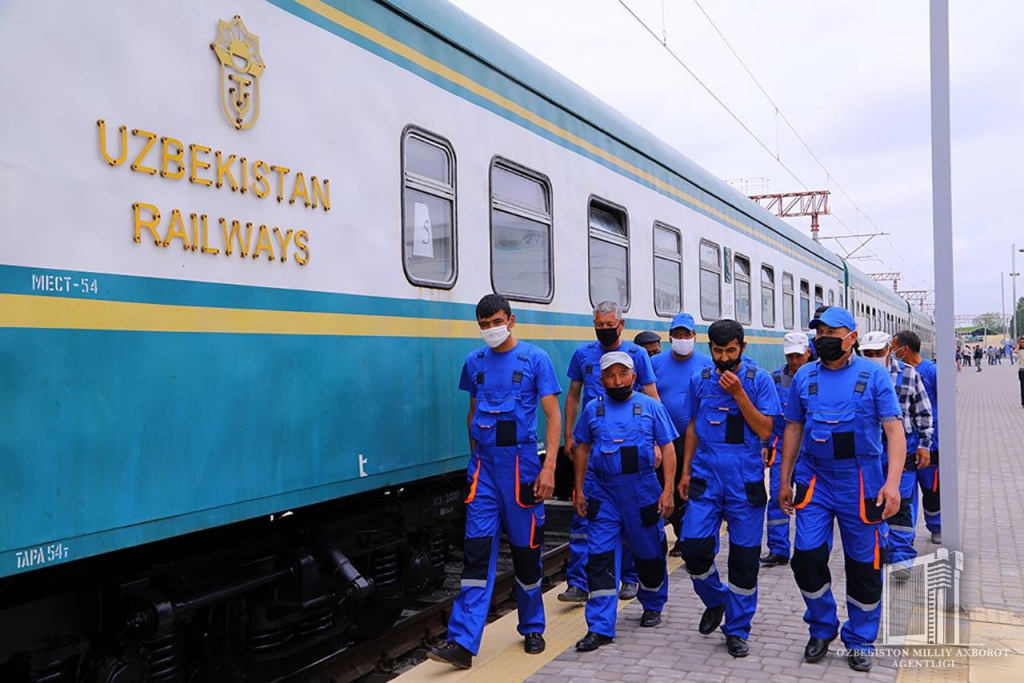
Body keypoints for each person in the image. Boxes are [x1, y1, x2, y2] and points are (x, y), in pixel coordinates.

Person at [428, 294, 562, 669]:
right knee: (476, 555)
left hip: (521, 468)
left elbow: (553, 417)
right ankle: (462, 642)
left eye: (496, 321)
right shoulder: (474, 363)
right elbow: (472, 416)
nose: (490, 329)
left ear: (511, 320)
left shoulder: (536, 359)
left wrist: (549, 468)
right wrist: (474, 462)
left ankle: (533, 627)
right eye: (484, 324)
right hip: (484, 472)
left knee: (525, 552)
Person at [780, 307, 904, 672]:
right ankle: (822, 626)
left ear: (851, 336)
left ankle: (861, 638)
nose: (824, 339)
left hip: (861, 480)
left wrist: (893, 484)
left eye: (832, 333)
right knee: (805, 555)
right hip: (816, 479)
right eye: (819, 333)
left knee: (864, 565)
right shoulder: (804, 376)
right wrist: (785, 479)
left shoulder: (874, 375)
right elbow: (792, 429)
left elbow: (894, 431)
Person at [678, 319, 781, 658]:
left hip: (744, 480)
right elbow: (692, 426)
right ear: (710, 349)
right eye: (718, 351)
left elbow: (766, 429)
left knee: (744, 560)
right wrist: (684, 471)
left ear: (742, 347)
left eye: (731, 351)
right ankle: (715, 598)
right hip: (706, 477)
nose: (724, 358)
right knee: (692, 548)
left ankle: (737, 629)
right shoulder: (700, 380)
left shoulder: (759, 380)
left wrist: (738, 393)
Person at [571, 351, 678, 651]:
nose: (616, 381)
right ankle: (601, 626)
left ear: (633, 377)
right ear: (601, 379)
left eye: (622, 374)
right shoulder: (593, 409)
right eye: (610, 375)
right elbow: (581, 449)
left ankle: (653, 602)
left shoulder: (651, 407)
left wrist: (667, 490)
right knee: (600, 557)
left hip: (641, 492)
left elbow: (668, 449)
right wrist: (579, 489)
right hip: (603, 493)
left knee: (649, 554)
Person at [561, 301, 659, 603]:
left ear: (621, 324)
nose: (604, 330)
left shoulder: (638, 355)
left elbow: (652, 396)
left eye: (609, 325)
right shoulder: (583, 355)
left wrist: (656, 442)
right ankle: (578, 581)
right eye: (599, 325)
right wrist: (569, 433)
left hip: (629, 446)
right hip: (593, 445)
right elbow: (574, 395)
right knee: (584, 515)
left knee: (629, 514)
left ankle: (629, 577)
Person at [860, 332, 933, 581]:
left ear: (889, 351)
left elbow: (923, 414)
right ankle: (879, 553)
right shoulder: (857, 376)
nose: (872, 358)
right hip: (870, 451)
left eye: (877, 353)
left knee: (899, 505)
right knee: (873, 504)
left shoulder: (909, 374)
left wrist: (924, 446)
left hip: (903, 449)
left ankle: (901, 558)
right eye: (867, 354)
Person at [651, 313, 715, 556]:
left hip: (695, 439)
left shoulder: (706, 363)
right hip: (664, 439)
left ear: (694, 337)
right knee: (667, 488)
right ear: (670, 337)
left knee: (689, 488)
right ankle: (679, 533)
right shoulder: (656, 364)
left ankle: (687, 538)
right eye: (677, 334)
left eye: (686, 334)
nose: (681, 338)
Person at [761, 332, 812, 568]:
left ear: (808, 354)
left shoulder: (817, 378)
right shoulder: (774, 379)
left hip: (810, 451)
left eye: (798, 356)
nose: (794, 361)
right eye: (790, 356)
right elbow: (767, 417)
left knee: (806, 500)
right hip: (781, 447)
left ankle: (806, 548)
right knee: (777, 497)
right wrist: (765, 446)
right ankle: (778, 549)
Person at [892, 330, 941, 544]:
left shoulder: (931, 371)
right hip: (907, 441)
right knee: (906, 494)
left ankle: (937, 526)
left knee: (931, 488)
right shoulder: (897, 371)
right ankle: (907, 532)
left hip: (931, 440)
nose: (892, 352)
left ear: (905, 349)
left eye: (894, 348)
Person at [1016, 338, 1024, 407]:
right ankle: (1023, 402)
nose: (1022, 343)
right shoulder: (1020, 351)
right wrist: (1018, 347)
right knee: (1023, 387)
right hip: (1022, 371)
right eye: (1021, 342)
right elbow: (1014, 354)